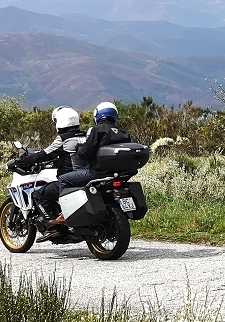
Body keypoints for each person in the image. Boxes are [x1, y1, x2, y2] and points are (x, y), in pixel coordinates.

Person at [15, 106, 85, 238]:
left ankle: (53, 228)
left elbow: (45, 154)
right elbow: (72, 156)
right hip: (86, 177)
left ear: (60, 121)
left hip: (70, 181)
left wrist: (24, 160)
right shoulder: (86, 135)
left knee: (39, 194)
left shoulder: (63, 138)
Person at [55, 101, 135, 207]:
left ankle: (66, 211)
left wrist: (78, 148)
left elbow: (86, 153)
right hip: (118, 173)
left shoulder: (97, 130)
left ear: (98, 115)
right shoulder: (124, 133)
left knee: (63, 179)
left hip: (98, 173)